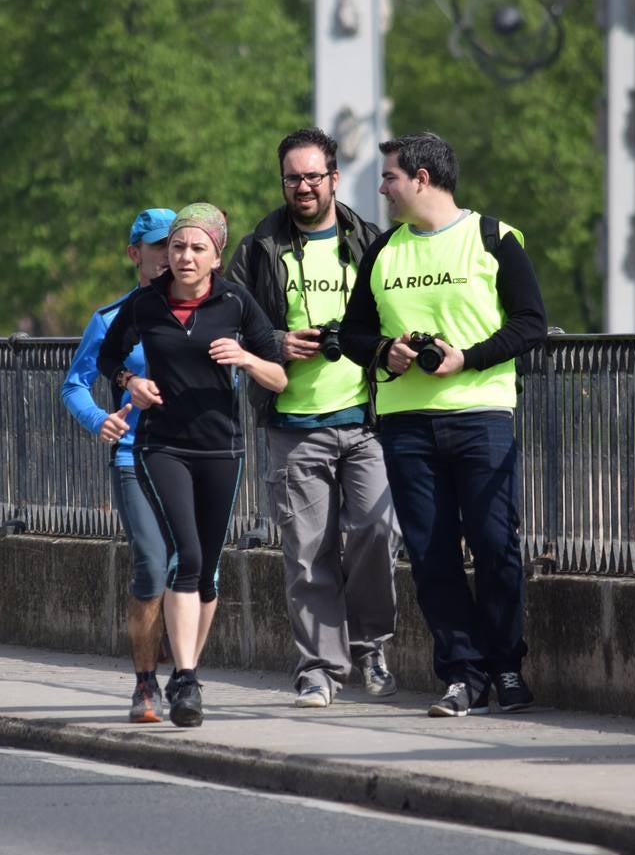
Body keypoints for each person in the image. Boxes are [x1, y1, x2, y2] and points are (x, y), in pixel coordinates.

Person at [340, 132, 548, 718]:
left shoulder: (493, 239)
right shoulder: (383, 251)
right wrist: (386, 352)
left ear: (422, 179)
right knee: (430, 555)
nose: (382, 188)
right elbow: (353, 335)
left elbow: (532, 323)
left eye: (389, 178)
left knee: (494, 546)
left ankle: (507, 667)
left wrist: (467, 357)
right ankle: (461, 674)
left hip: (482, 415)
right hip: (407, 424)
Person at [228, 128, 401, 709]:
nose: (301, 187)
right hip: (293, 424)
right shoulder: (258, 250)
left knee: (376, 531)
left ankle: (372, 644)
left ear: (333, 178)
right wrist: (277, 342)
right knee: (306, 552)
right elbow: (227, 323)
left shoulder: (371, 241)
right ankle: (320, 669)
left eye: (311, 176)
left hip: (365, 418)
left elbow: (396, 315)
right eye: (291, 178)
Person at [97, 202, 287, 728]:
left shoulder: (235, 302)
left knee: (205, 567)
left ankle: (188, 669)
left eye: (196, 248)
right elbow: (109, 360)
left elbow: (279, 376)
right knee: (185, 553)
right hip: (163, 447)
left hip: (222, 449)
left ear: (215, 256)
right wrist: (130, 384)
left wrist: (245, 359)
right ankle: (185, 679)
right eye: (177, 246)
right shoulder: (145, 304)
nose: (183, 256)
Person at [61, 208, 176, 724]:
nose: (170, 255)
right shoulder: (111, 320)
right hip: (135, 457)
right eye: (158, 246)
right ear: (135, 254)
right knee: (152, 566)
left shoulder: (207, 312)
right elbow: (74, 384)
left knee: (193, 572)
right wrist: (99, 421)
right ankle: (145, 684)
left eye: (178, 244)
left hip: (196, 459)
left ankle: (186, 677)